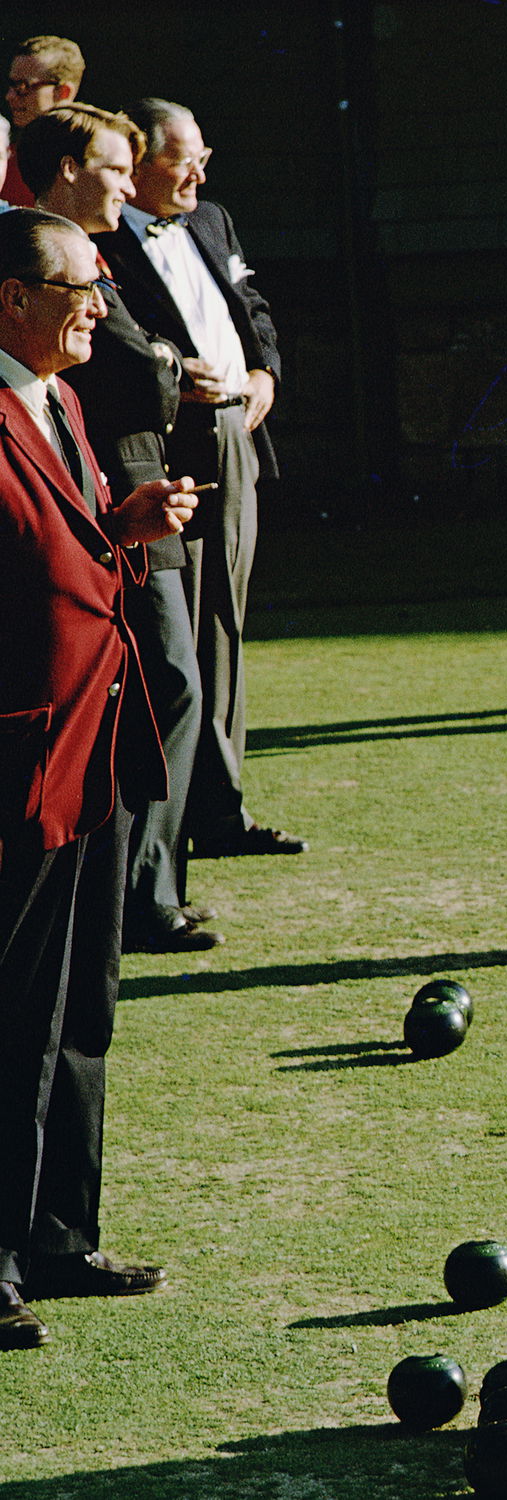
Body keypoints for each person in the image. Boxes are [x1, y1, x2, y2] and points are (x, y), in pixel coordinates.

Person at [0, 208, 200, 1350]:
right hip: (19, 761)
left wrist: (123, 526)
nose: (97, 303)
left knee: (83, 1008)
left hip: (96, 752)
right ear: (11, 300)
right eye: (77, 286)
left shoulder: (63, 398)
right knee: (8, 1018)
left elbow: (63, 554)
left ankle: (60, 1238)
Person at [18, 103, 218, 955]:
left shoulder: (101, 257)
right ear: (66, 170)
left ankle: (140, 885)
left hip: (125, 502)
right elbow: (141, 371)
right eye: (111, 168)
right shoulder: (46, 257)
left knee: (167, 682)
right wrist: (176, 365)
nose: (129, 187)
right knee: (160, 682)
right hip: (82, 502)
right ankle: (133, 888)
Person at [95, 98, 305, 860]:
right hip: (166, 444)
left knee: (226, 624)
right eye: (183, 157)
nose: (200, 170)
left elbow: (252, 307)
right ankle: (170, 821)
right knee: (176, 634)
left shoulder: (211, 219)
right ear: (139, 162)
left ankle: (221, 810)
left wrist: (265, 372)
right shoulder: (103, 236)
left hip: (237, 434)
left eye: (203, 154)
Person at [3, 36, 83, 208]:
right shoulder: (5, 157)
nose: (9, 96)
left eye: (23, 87)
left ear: (63, 92)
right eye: (11, 85)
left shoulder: (91, 163)